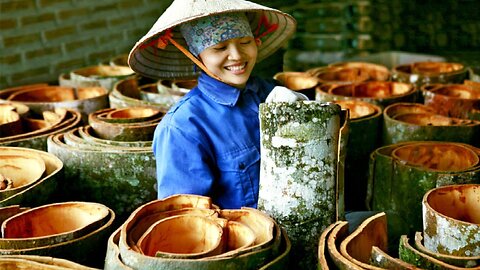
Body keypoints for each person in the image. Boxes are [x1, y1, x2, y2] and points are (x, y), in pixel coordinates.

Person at [128, 0, 296, 209]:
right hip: (244, 239)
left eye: (245, 42)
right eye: (220, 47)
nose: (236, 56)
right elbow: (188, 220)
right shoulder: (182, 127)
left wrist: (303, 112)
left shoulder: (269, 90)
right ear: (196, 56)